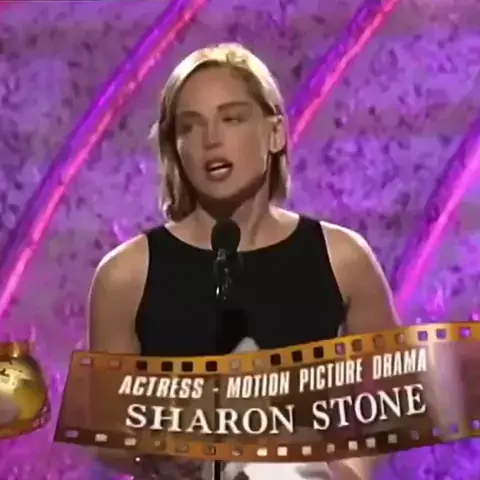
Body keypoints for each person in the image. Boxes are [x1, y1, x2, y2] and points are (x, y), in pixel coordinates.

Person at [88, 43, 399, 479]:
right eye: (189, 127)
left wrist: (347, 473)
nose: (210, 140)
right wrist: (154, 454)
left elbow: (394, 400)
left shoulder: (344, 258)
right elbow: (105, 434)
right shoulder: (125, 275)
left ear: (275, 133)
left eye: (231, 118)